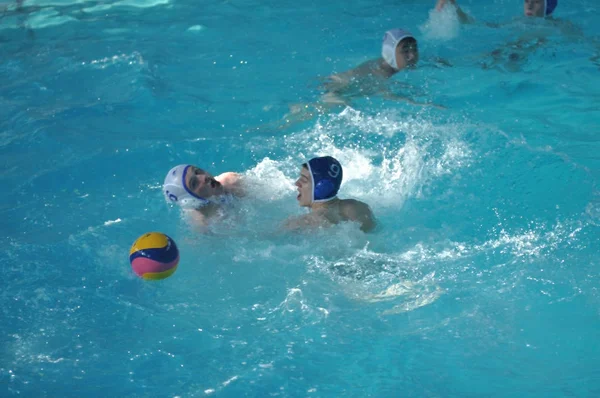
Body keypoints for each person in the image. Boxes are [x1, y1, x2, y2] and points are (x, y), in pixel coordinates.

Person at [284, 156, 376, 233]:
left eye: (304, 180)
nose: (297, 183)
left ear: (322, 187)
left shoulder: (302, 223)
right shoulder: (357, 207)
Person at [162, 164, 244, 226]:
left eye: (197, 172)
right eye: (194, 183)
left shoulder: (231, 181)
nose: (203, 177)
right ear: (191, 200)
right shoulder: (203, 223)